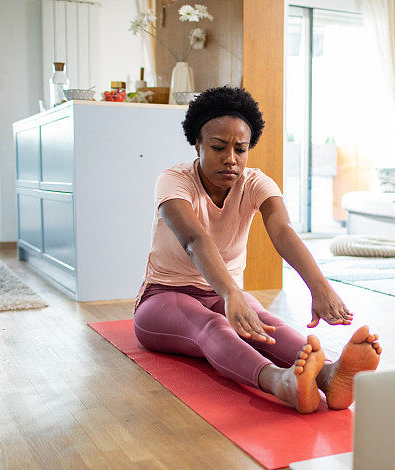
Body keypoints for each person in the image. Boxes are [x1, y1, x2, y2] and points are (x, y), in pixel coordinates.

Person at [133, 86, 381, 413]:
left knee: (263, 323)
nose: (230, 159)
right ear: (197, 144)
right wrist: (231, 294)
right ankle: (281, 383)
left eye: (241, 148)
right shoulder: (173, 180)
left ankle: (330, 376)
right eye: (218, 147)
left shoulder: (256, 182)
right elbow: (195, 241)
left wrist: (318, 287)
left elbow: (282, 230)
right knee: (215, 326)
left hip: (223, 293)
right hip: (163, 297)